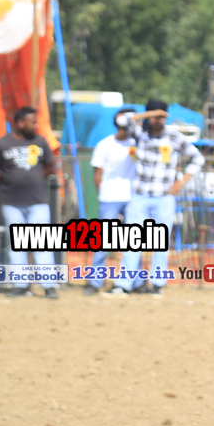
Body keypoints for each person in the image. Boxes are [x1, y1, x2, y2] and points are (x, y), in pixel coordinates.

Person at [104, 99, 204, 297]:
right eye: (155, 116)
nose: (158, 120)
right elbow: (121, 119)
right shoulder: (139, 133)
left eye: (161, 116)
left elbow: (198, 158)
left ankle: (157, 284)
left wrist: (181, 182)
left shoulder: (175, 137)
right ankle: (124, 284)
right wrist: (147, 115)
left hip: (164, 198)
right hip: (139, 196)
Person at [0, 106, 61, 299]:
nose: (36, 125)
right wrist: (8, 180)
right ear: (20, 123)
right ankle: (20, 285)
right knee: (16, 245)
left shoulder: (40, 141)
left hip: (38, 202)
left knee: (42, 243)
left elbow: (50, 166)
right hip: (12, 203)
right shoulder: (1, 144)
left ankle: (49, 286)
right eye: (32, 121)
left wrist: (33, 179)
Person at [84, 108, 137, 295]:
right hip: (110, 198)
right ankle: (95, 282)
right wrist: (104, 194)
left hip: (133, 198)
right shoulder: (104, 145)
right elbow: (97, 174)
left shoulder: (138, 143)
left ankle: (134, 282)